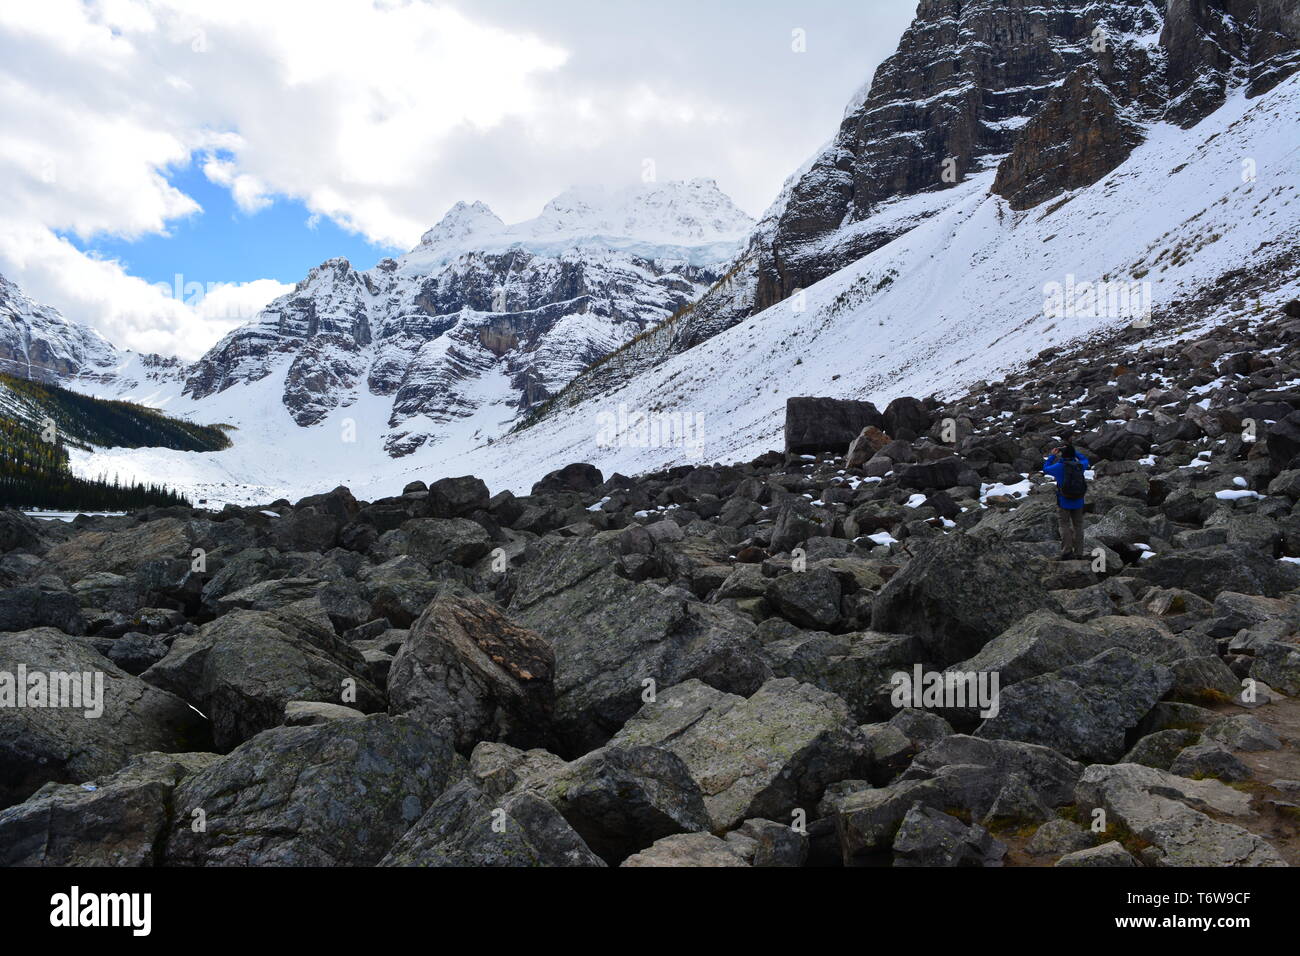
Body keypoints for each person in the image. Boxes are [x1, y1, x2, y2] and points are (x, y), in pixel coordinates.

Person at [1042, 443, 1089, 559]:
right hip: (1078, 500)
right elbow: (1085, 459)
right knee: (1078, 525)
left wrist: (1052, 456)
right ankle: (1079, 552)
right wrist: (1074, 451)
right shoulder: (1080, 465)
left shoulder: (1059, 466)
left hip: (1064, 500)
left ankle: (1067, 551)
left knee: (1064, 525)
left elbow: (1045, 469)